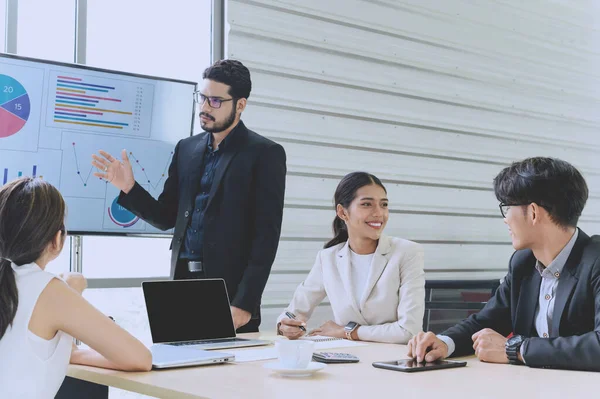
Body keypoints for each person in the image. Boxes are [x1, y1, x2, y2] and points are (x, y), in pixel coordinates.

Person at [92, 59, 287, 333]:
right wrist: (129, 188)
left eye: (216, 101)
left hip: (229, 293)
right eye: (203, 98)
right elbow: (165, 217)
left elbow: (266, 237)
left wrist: (245, 303)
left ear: (240, 105)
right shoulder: (186, 148)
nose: (206, 107)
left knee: (226, 373)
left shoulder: (264, 153)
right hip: (181, 284)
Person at [408, 157, 600, 372]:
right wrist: (445, 342)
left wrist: (517, 349)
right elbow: (487, 320)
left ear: (534, 212)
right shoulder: (523, 263)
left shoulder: (596, 260)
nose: (505, 219)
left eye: (507, 208)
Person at [0, 177, 151, 399]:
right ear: (57, 239)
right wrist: (71, 290)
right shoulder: (49, 290)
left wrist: (72, 353)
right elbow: (140, 359)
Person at [277, 172, 425, 344]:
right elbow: (293, 312)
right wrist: (286, 325)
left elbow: (408, 331)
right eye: (367, 204)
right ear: (342, 212)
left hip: (395, 360)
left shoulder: (407, 252)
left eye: (383, 205)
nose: (379, 213)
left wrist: (347, 332)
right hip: (346, 358)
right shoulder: (328, 258)